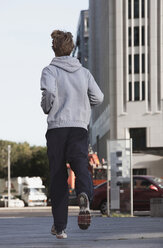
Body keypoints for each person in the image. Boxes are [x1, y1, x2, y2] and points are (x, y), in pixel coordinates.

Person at [40, 30, 104, 239]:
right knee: (80, 165)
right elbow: (99, 97)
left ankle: (60, 228)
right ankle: (84, 193)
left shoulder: (50, 70)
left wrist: (47, 106)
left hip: (57, 129)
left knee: (58, 175)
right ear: (72, 48)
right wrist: (84, 107)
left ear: (54, 49)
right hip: (78, 128)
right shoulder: (83, 73)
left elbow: (49, 93)